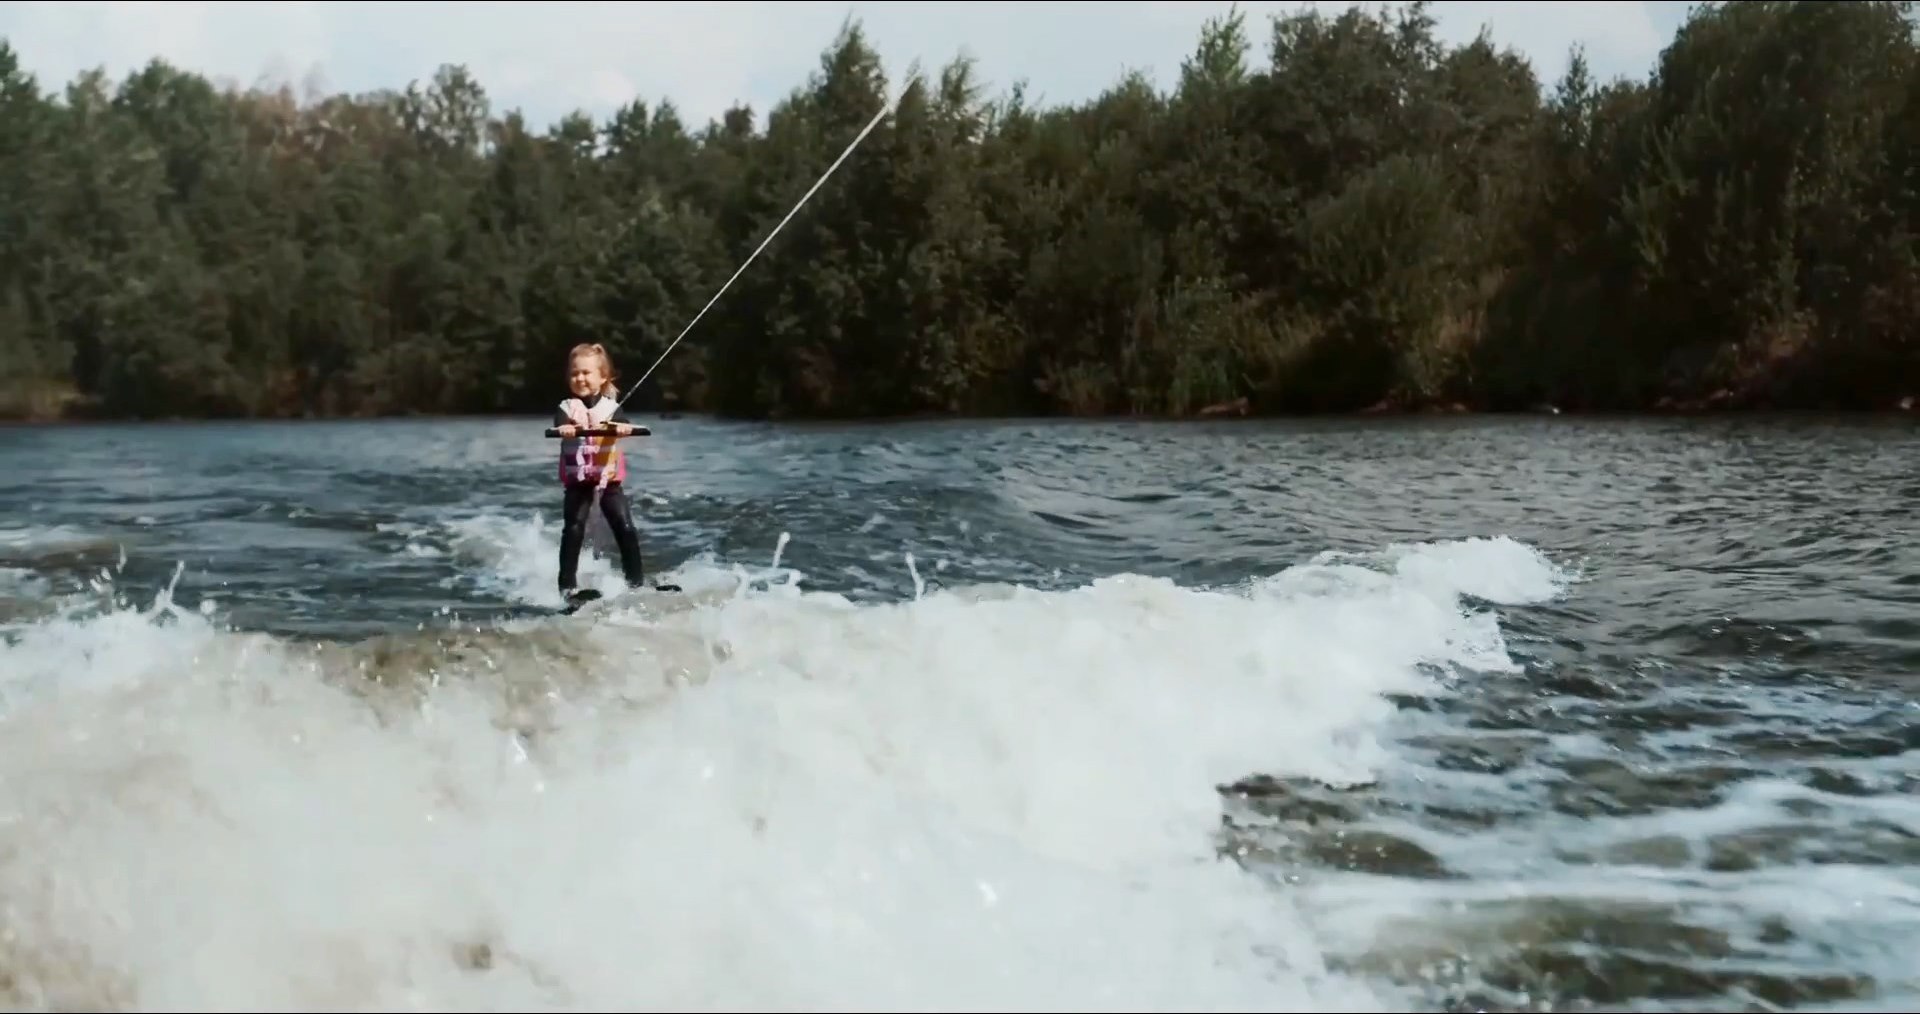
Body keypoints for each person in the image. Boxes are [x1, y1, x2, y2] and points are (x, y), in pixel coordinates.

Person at [552, 342, 649, 604]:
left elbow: (623, 424)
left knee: (625, 527)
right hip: (578, 484)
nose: (579, 378)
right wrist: (565, 429)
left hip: (609, 482)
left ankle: (636, 583)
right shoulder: (566, 408)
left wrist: (622, 429)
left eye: (586, 372)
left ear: (602, 377)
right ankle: (567, 587)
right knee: (573, 529)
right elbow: (559, 423)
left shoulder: (611, 409)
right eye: (574, 373)